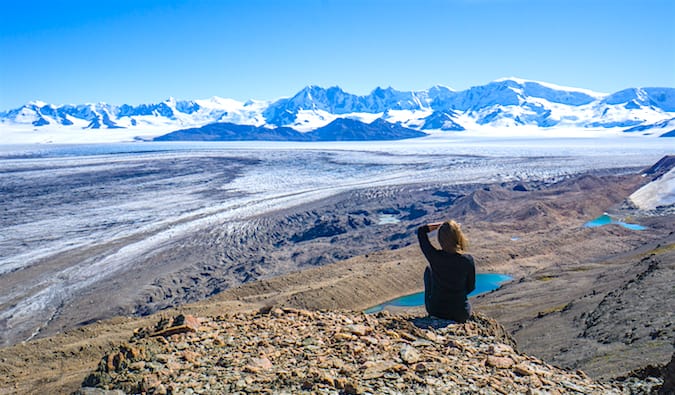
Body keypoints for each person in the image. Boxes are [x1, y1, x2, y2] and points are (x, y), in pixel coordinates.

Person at [417, 220, 476, 322]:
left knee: (429, 270)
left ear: (440, 239)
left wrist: (441, 226)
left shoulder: (434, 257)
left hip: (437, 311)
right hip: (460, 313)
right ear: (458, 237)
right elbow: (471, 287)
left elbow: (421, 231)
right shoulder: (467, 260)